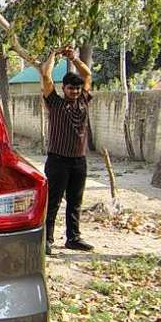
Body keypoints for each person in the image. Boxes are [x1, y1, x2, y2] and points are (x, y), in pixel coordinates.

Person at [39, 46, 94, 255]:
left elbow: (87, 74)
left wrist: (74, 58)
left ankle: (74, 238)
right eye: (71, 88)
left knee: (75, 201)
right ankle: (47, 239)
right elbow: (46, 75)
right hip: (58, 161)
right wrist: (53, 53)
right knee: (52, 202)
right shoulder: (54, 103)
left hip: (79, 161)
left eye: (78, 89)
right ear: (64, 88)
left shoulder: (84, 102)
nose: (75, 91)